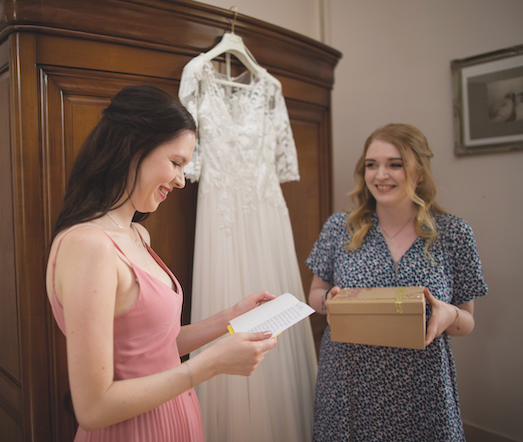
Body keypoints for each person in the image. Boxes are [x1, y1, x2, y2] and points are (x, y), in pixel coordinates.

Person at [45, 85, 278, 441]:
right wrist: (210, 364)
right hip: (132, 430)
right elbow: (93, 408)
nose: (181, 180)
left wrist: (230, 317)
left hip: (176, 415)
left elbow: (152, 348)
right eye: (175, 163)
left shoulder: (138, 234)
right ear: (132, 147)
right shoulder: (88, 245)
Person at [306, 123, 488, 441]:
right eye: (371, 165)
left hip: (423, 389)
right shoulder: (339, 228)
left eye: (395, 164)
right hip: (349, 386)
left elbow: (466, 321)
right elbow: (315, 294)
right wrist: (329, 301)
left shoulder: (454, 234)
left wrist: (449, 315)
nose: (380, 175)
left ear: (418, 171)